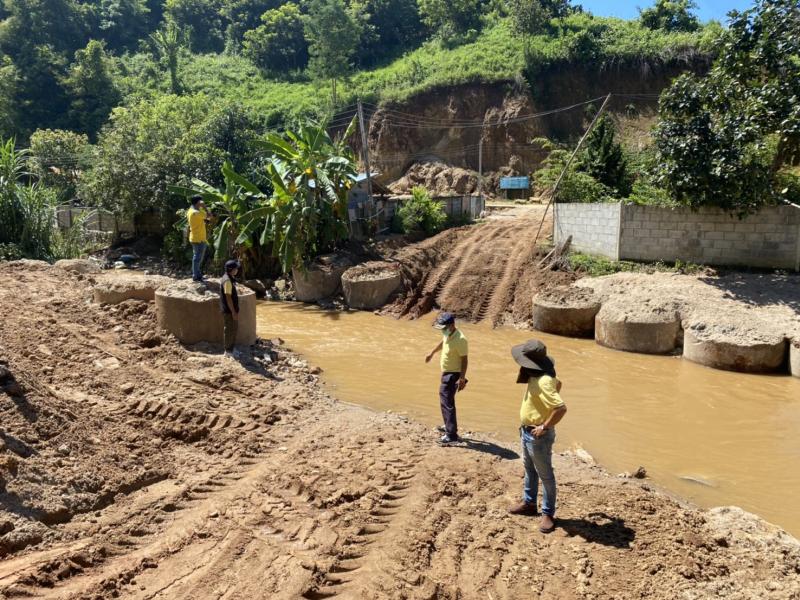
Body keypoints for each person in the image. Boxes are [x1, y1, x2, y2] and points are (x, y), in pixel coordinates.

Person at [508, 339, 567, 534]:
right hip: (526, 431)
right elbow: (560, 384)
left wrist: (544, 426)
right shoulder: (537, 375)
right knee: (529, 470)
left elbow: (561, 408)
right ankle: (529, 503)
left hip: (538, 436)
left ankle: (548, 513)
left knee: (546, 475)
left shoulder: (544, 381)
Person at [425, 312, 468, 444]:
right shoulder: (448, 334)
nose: (442, 330)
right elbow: (443, 342)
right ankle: (449, 426)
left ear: (452, 325)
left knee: (446, 402)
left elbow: (464, 360)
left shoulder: (460, 339)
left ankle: (451, 435)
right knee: (448, 401)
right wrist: (432, 353)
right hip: (446, 373)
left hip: (452, 374)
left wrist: (462, 378)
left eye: (444, 328)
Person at [219, 259, 241, 358]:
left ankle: (231, 349)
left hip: (231, 310)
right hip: (229, 311)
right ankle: (228, 351)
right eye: (236, 268)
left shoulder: (228, 277)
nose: (237, 270)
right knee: (229, 330)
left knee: (233, 329)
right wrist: (233, 312)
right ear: (231, 270)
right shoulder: (227, 281)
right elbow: (228, 297)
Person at [187, 196, 211, 282]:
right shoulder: (196, 213)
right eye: (201, 201)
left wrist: (201, 207)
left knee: (197, 257)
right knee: (197, 258)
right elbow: (209, 216)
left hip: (195, 237)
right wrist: (205, 207)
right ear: (198, 202)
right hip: (199, 238)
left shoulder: (190, 211)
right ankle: (196, 276)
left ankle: (197, 274)